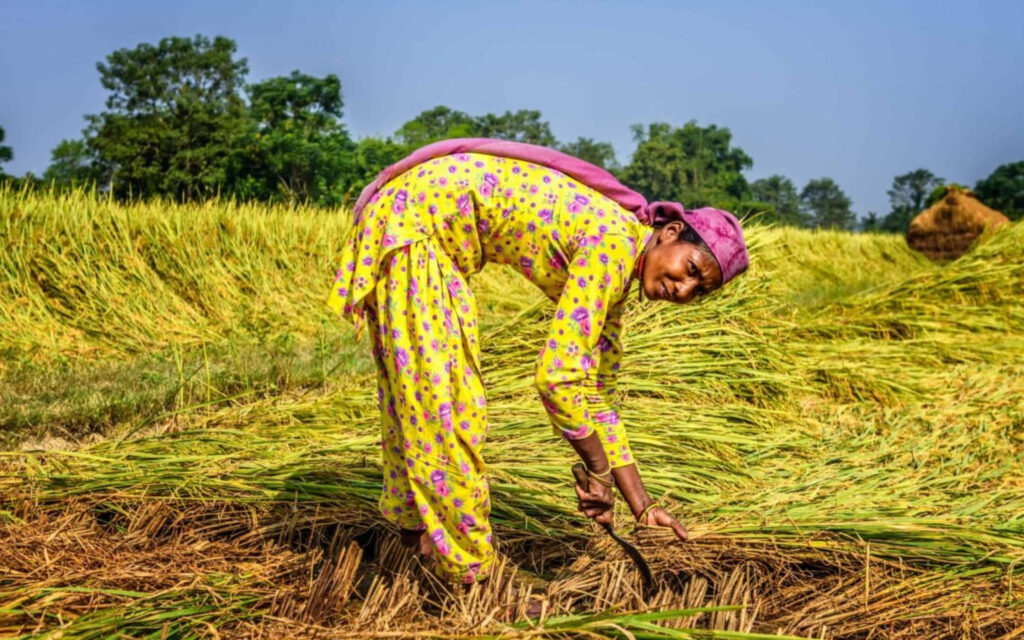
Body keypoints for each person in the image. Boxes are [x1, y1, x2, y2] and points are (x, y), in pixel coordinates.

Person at [327, 138, 749, 586]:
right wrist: (597, 472)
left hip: (414, 229)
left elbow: (596, 396)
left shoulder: (618, 265)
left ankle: (413, 552)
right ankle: (474, 582)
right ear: (670, 233)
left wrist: (641, 508)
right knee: (446, 406)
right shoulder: (613, 246)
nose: (684, 289)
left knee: (416, 402)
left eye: (699, 290)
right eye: (691, 269)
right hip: (416, 228)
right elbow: (557, 378)